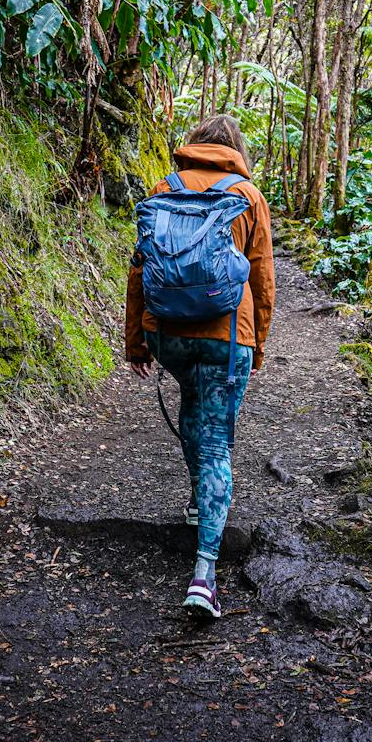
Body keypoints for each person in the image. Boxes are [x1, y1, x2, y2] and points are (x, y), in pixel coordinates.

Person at [125, 115, 275, 618]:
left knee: (193, 401)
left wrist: (136, 342)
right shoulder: (249, 196)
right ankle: (204, 577)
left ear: (195, 145)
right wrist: (258, 343)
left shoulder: (163, 186)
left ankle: (197, 500)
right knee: (216, 438)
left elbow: (140, 269)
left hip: (167, 333)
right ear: (236, 149)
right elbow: (262, 280)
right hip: (226, 336)